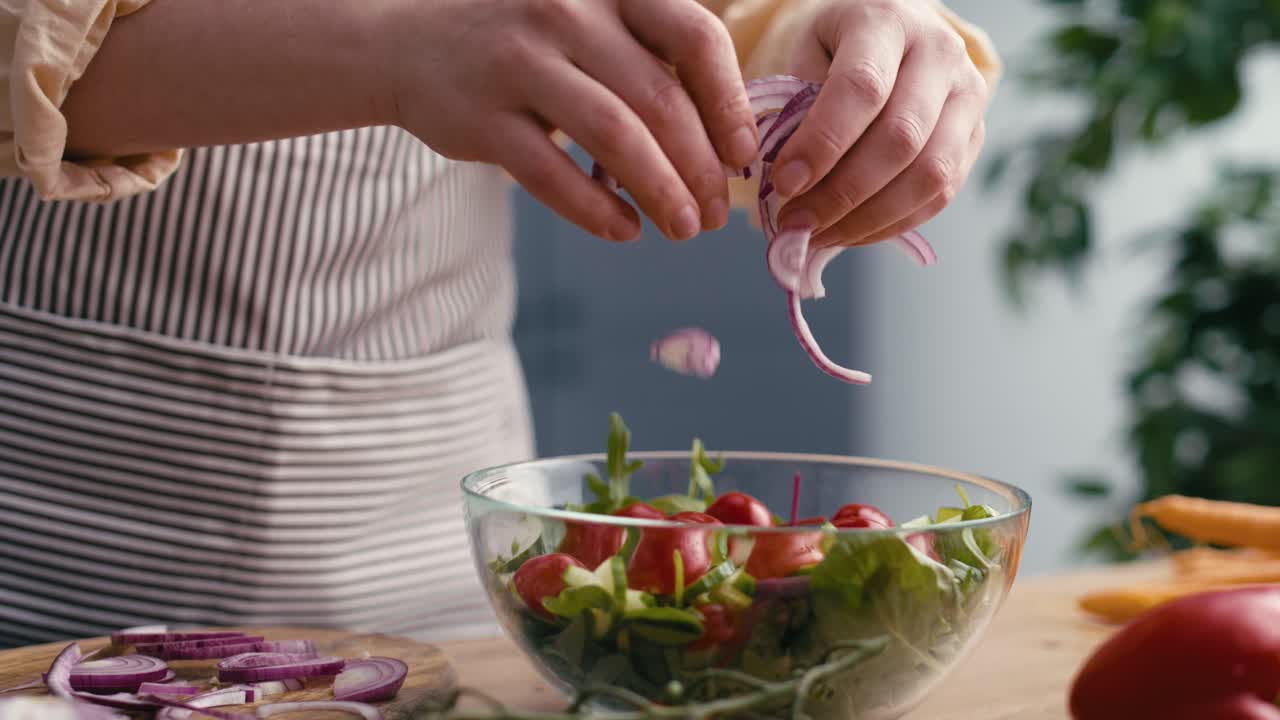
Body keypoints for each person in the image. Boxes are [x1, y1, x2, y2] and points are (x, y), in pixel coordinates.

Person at [0, 0, 1000, 646]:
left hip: (438, 570)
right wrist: (389, 49)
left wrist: (818, 63)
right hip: (44, 560)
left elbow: (709, 23)